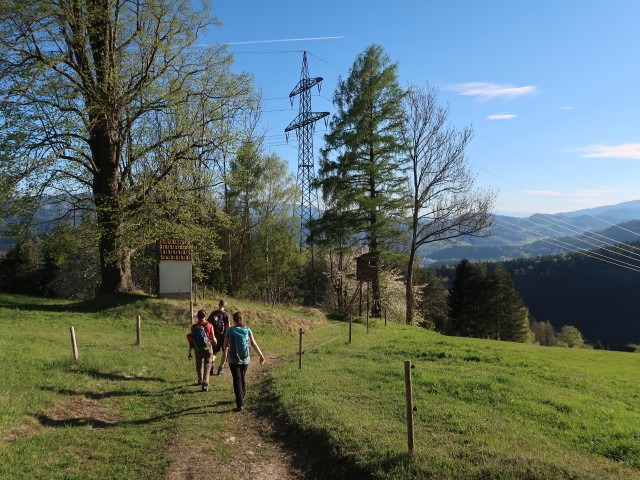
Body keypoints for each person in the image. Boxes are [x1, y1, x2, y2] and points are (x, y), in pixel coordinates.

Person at [220, 311, 265, 411]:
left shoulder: (230, 330)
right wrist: (261, 355)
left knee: (237, 380)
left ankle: (240, 403)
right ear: (242, 319)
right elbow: (253, 343)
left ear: (233, 320)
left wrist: (225, 355)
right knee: (242, 378)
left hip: (233, 359)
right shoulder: (247, 330)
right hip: (245, 359)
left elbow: (225, 345)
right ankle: (242, 396)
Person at [187, 309, 217, 391]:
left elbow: (191, 340)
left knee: (198, 364)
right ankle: (205, 382)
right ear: (205, 316)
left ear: (197, 317)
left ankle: (200, 380)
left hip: (197, 348)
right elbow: (213, 339)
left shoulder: (193, 327)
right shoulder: (210, 326)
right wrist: (215, 342)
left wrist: (189, 352)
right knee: (207, 364)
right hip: (207, 348)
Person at [207, 299, 231, 376]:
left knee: (214, 352)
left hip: (215, 336)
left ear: (219, 304)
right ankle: (221, 368)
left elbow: (209, 325)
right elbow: (228, 327)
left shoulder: (213, 314)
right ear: (225, 306)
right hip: (224, 336)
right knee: (225, 351)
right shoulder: (226, 314)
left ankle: (212, 364)